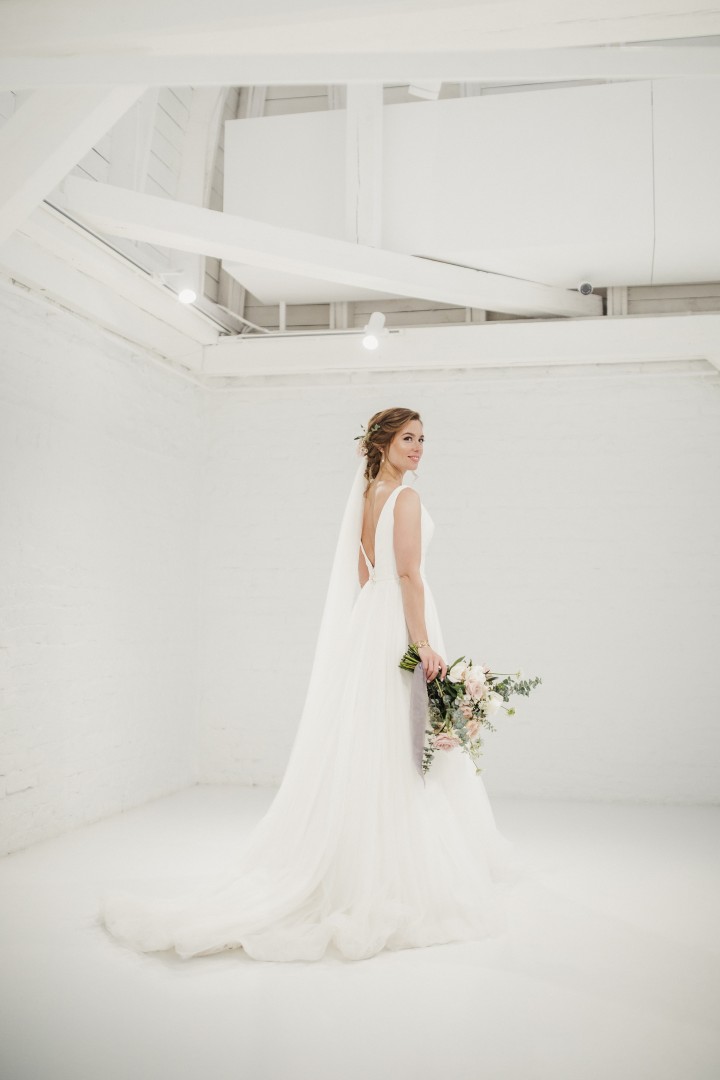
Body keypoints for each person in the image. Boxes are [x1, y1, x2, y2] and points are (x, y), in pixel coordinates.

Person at [98, 407, 530, 962]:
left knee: (373, 738)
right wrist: (421, 642)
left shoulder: (369, 494)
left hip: (372, 622)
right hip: (401, 621)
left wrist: (378, 622)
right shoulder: (405, 498)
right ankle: (398, 868)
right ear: (382, 442)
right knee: (404, 741)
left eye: (423, 439)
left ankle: (355, 857)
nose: (419, 447)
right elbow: (408, 574)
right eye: (408, 438)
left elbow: (364, 571)